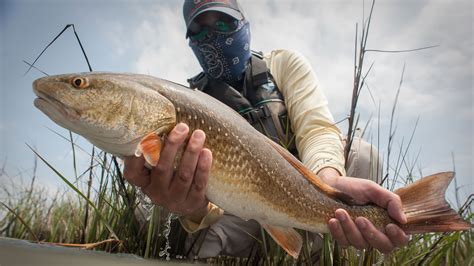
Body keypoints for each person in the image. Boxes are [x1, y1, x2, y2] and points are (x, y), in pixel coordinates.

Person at [124, 0, 409, 258]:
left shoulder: (283, 64)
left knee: (361, 155)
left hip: (311, 195)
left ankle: (340, 248)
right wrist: (193, 210)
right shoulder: (191, 104)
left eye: (223, 23)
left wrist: (328, 183)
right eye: (198, 30)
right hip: (242, 216)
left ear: (244, 25)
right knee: (151, 213)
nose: (211, 36)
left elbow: (317, 129)